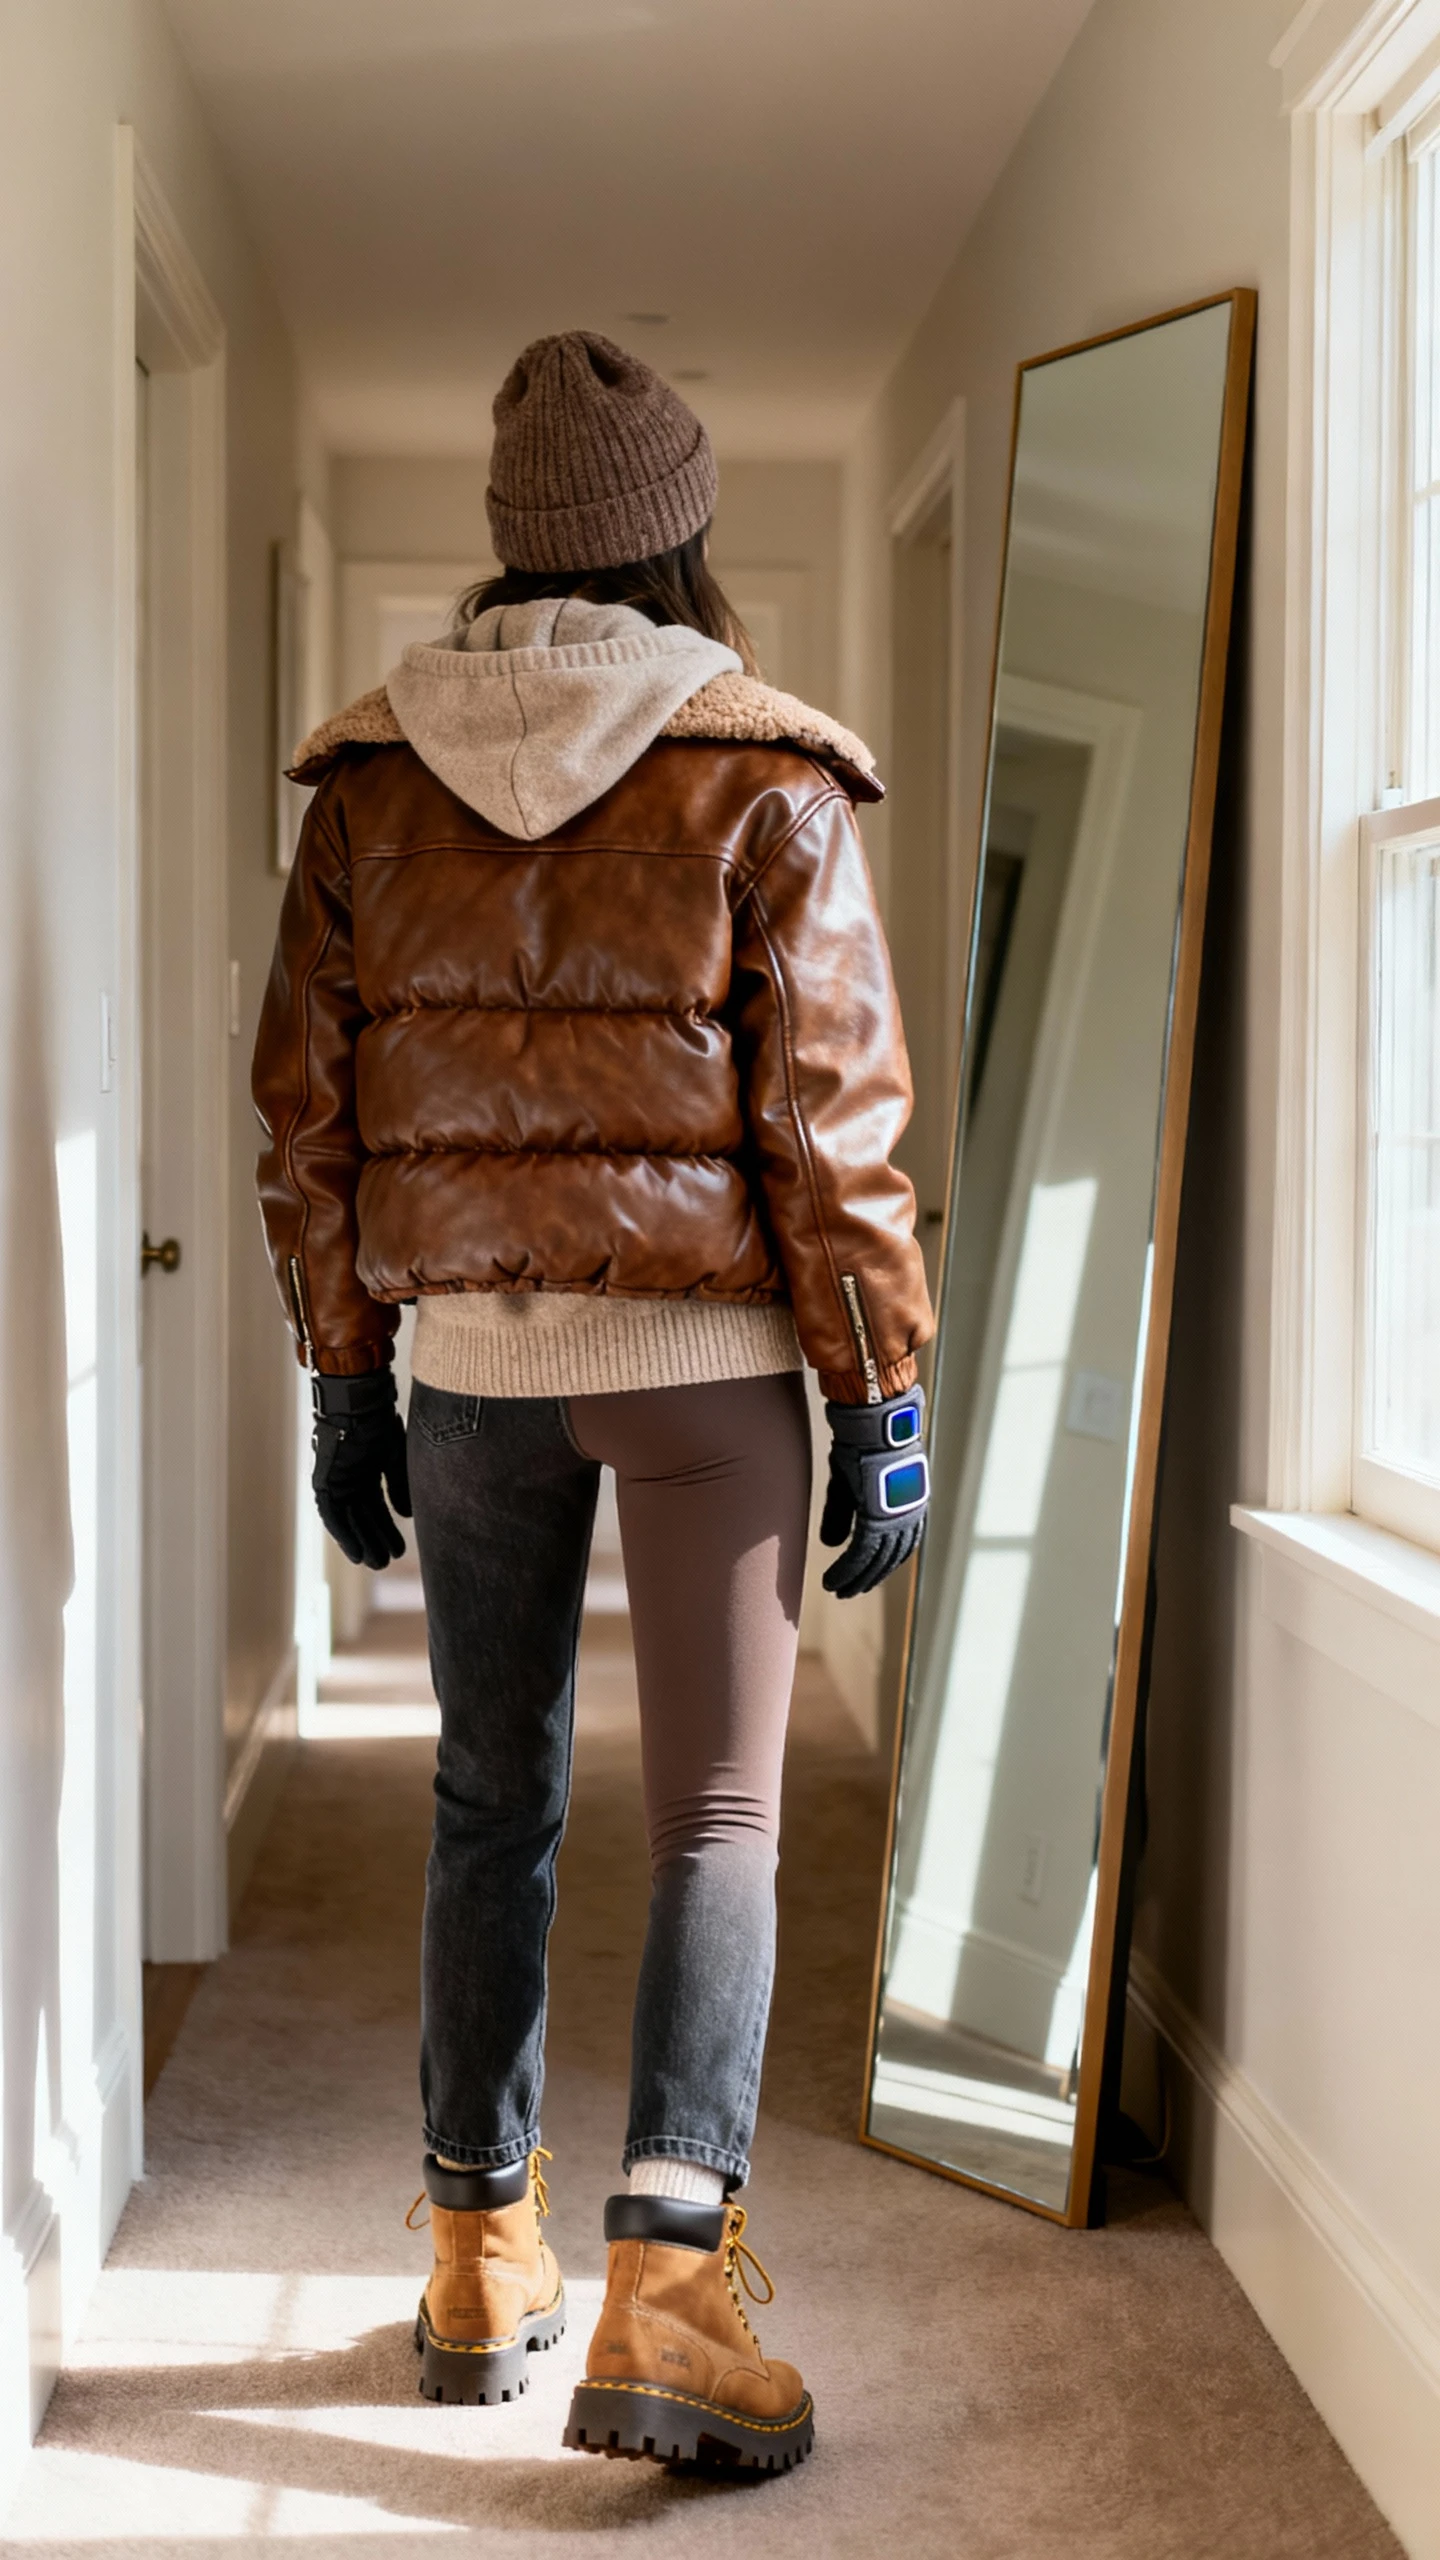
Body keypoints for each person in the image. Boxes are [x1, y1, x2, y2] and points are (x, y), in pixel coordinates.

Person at [252, 330, 933, 2474]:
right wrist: (883, 1387)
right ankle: (670, 2286)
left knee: (488, 1790)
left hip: (470, 1362)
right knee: (721, 1810)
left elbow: (310, 1112)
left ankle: (476, 2255)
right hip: (714, 1362)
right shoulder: (768, 771)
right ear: (680, 534)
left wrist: (342, 1372)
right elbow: (832, 1123)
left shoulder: (368, 783)